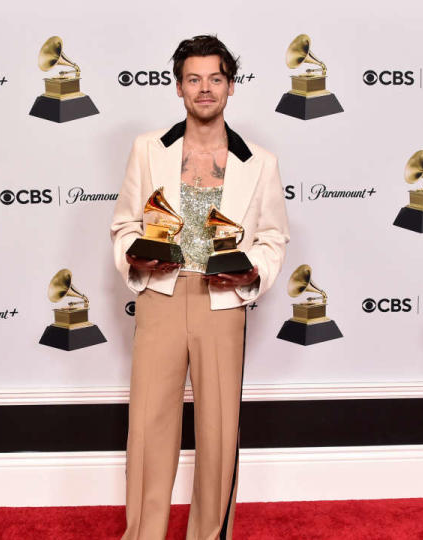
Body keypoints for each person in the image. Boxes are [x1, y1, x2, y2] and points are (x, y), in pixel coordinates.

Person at [111, 35, 289, 540]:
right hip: (160, 298)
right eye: (194, 79)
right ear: (178, 87)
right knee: (148, 428)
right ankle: (143, 533)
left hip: (222, 303)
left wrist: (253, 269)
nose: (204, 89)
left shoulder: (261, 162)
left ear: (230, 87)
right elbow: (124, 224)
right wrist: (135, 251)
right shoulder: (149, 150)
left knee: (217, 432)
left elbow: (274, 237)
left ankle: (209, 534)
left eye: (215, 78)